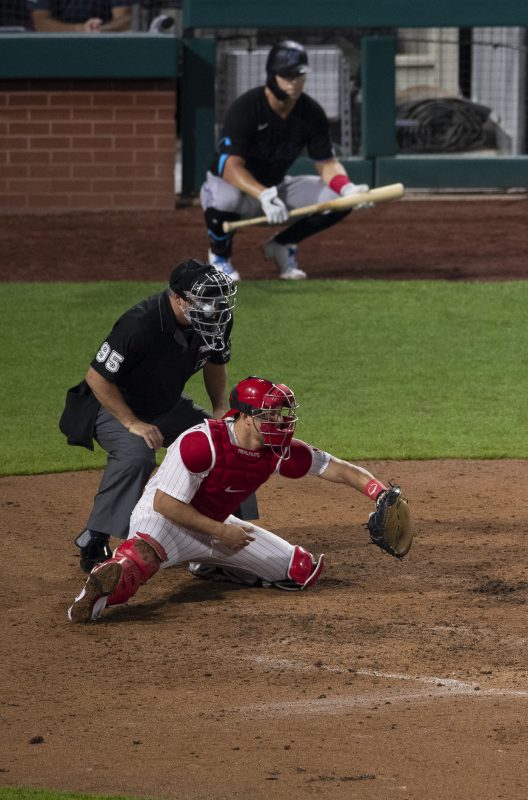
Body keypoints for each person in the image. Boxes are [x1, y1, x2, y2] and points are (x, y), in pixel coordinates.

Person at [68, 376, 407, 623]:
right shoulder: (202, 444)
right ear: (245, 416)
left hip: (216, 528)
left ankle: (209, 564)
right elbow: (165, 504)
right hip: (166, 520)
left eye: (283, 414)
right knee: (136, 564)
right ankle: (94, 596)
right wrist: (219, 531)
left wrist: (379, 492)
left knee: (300, 570)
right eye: (270, 415)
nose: (281, 422)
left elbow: (338, 468)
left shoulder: (277, 450)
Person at [62, 259, 255, 573]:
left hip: (166, 405)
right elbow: (97, 378)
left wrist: (220, 406)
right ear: (178, 298)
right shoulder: (140, 324)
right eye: (205, 300)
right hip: (111, 405)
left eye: (218, 299)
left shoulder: (217, 317)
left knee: (227, 443)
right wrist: (131, 423)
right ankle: (94, 538)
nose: (214, 308)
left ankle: (221, 536)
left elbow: (215, 362)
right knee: (136, 454)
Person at [201, 40, 370, 282]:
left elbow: (326, 163)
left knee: (339, 201)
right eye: (286, 75)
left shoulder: (311, 112)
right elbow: (229, 168)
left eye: (299, 75)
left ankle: (283, 244)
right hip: (236, 187)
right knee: (226, 199)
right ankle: (220, 257)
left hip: (275, 187)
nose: (293, 82)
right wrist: (262, 195)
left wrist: (346, 187)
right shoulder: (246, 107)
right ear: (272, 76)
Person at [28, 0, 132, 32]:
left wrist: (99, 29)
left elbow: (125, 19)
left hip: (103, 46)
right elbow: (39, 22)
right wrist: (80, 29)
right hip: (56, 47)